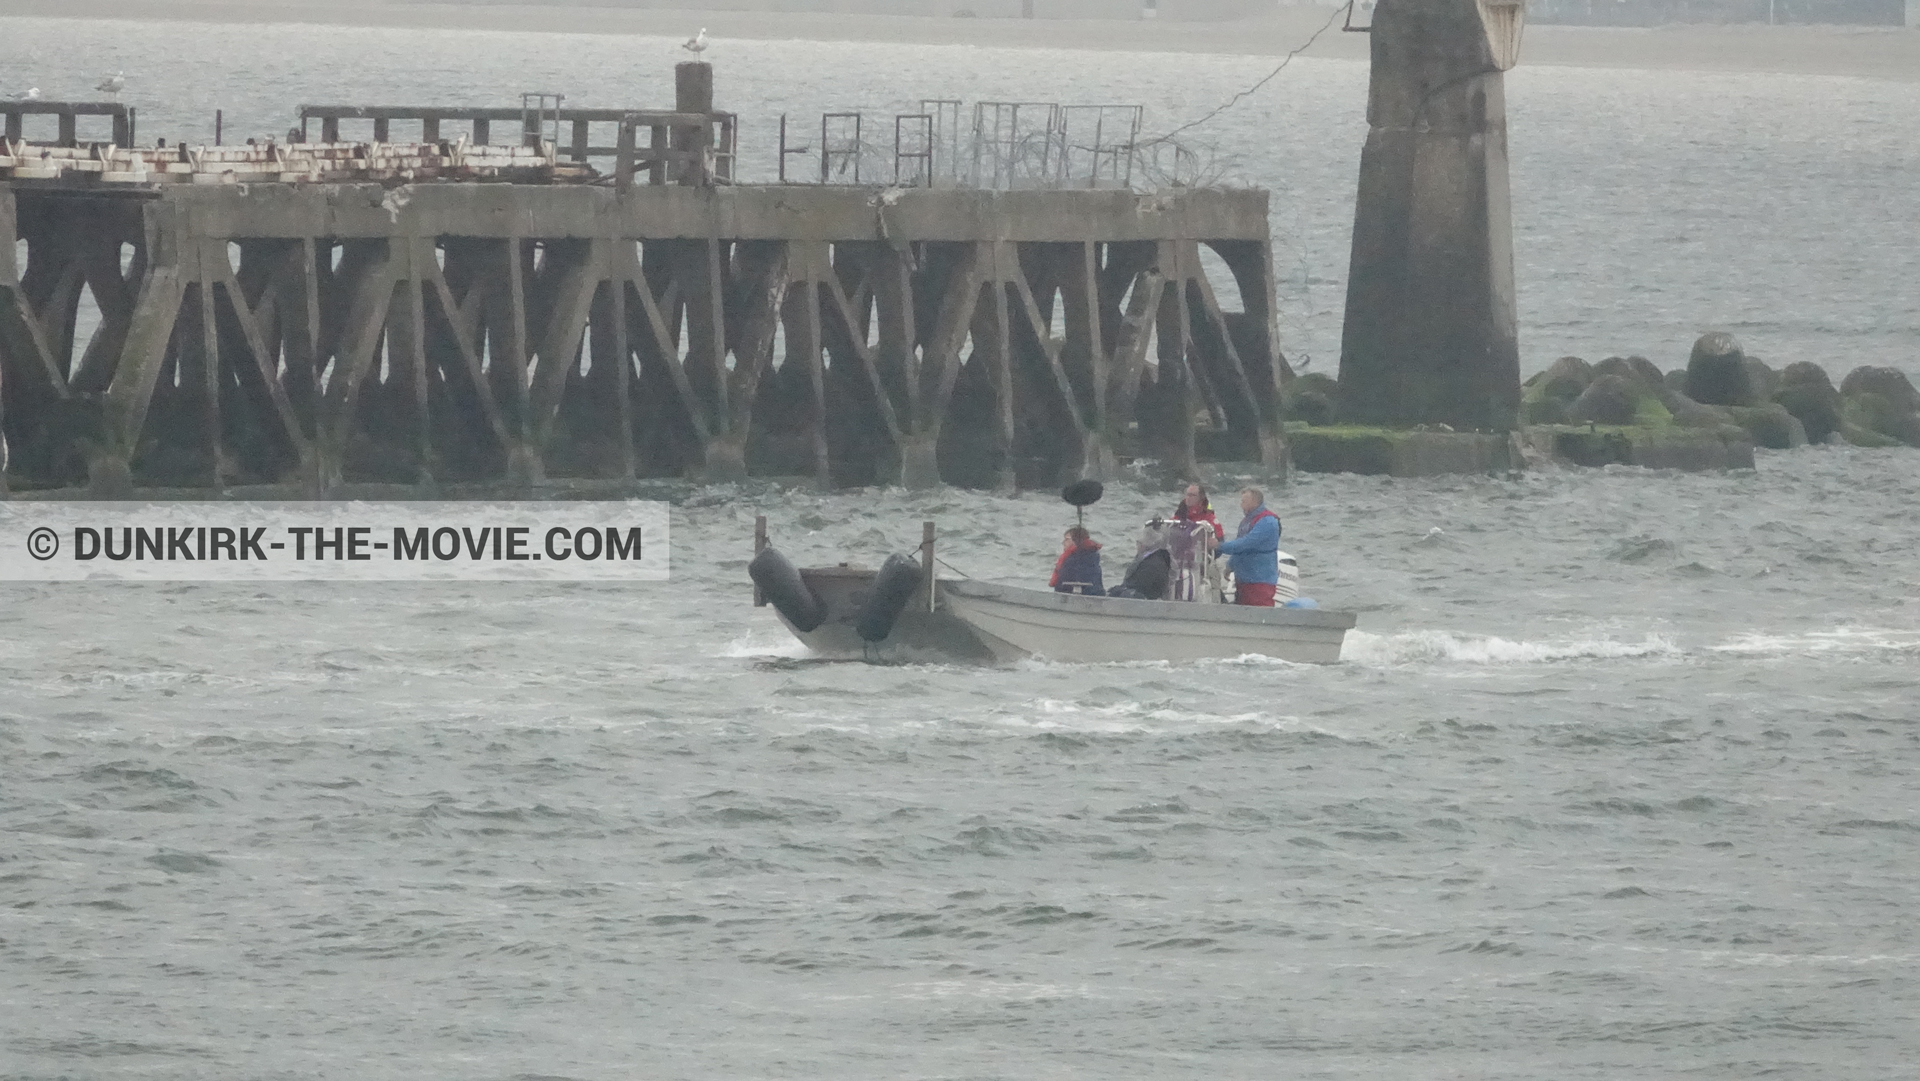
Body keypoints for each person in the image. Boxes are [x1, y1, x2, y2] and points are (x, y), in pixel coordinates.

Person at [1214, 487, 1283, 606]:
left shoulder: (1268, 521)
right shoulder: (1246, 521)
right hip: (1243, 581)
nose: (1241, 505)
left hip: (1260, 581)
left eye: (1244, 502)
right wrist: (1231, 565)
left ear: (1255, 502)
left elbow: (1246, 544)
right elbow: (1239, 545)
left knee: (1259, 615)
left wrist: (1219, 546)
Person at [1049, 526, 1105, 596]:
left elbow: (1060, 586)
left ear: (1075, 541)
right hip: (1096, 596)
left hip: (1074, 597)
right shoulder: (1094, 555)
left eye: (1067, 539)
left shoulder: (1072, 560)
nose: (1063, 542)